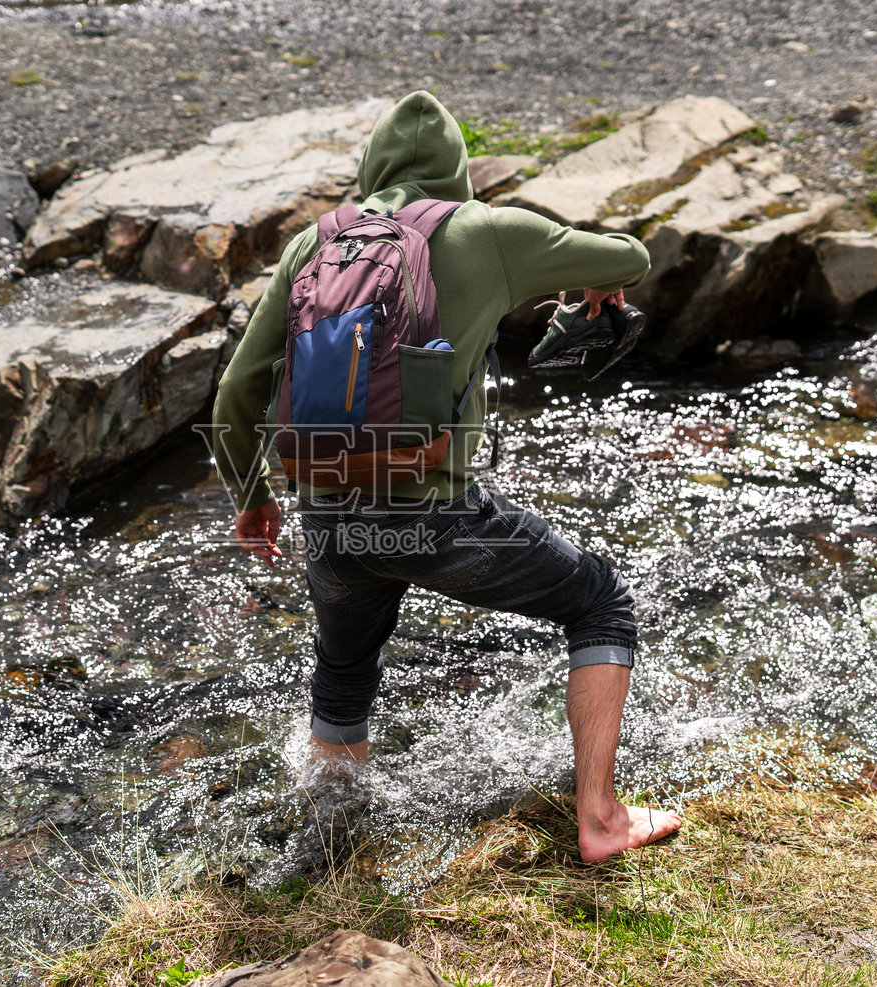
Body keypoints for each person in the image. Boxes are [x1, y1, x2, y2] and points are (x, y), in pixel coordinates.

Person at [209, 91, 681, 862]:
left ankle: (327, 852)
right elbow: (631, 257)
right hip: (436, 517)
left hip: (328, 515)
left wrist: (253, 495)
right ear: (457, 173)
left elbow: (236, 392)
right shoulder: (485, 231)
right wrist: (592, 286)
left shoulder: (312, 245)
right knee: (600, 600)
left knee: (344, 670)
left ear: (372, 169)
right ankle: (601, 818)